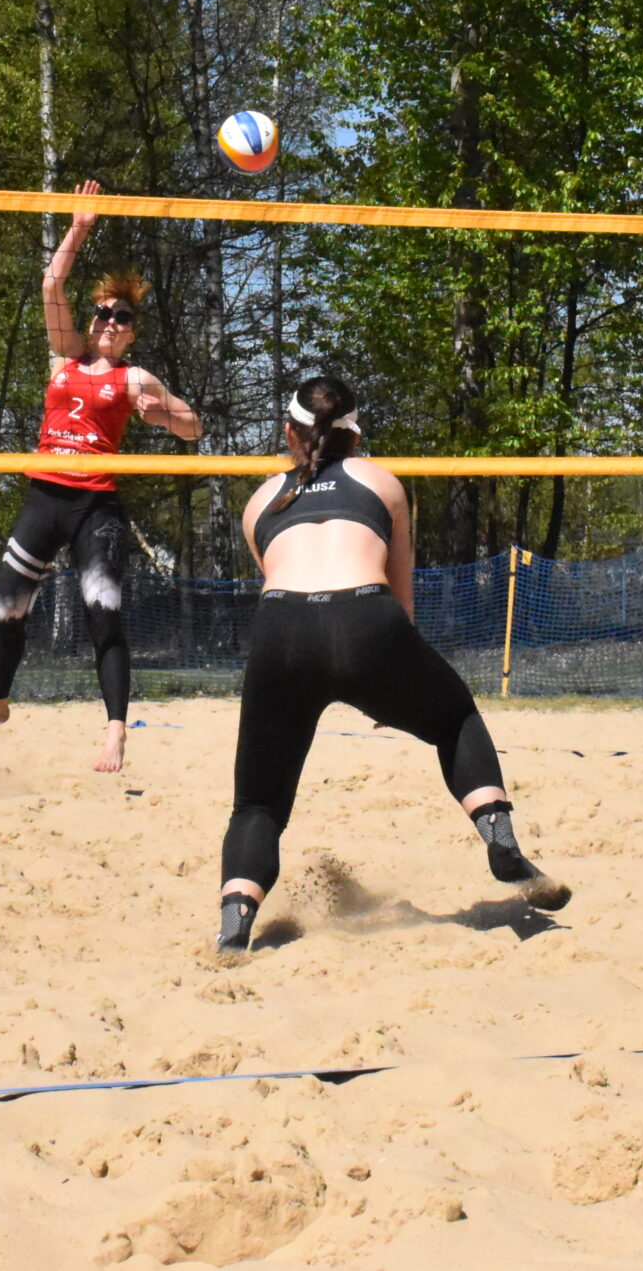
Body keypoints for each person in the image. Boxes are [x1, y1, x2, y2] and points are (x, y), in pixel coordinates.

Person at [215, 375, 569, 954]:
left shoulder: (261, 501)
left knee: (258, 802)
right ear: (355, 437)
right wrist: (390, 684)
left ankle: (234, 926)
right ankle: (501, 840)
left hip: (281, 630)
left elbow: (281, 586)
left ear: (288, 433)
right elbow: (400, 598)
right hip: (368, 621)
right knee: (454, 719)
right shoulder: (381, 483)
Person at [0, 180, 202, 773]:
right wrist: (78, 227)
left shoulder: (134, 377)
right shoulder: (66, 355)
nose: (110, 322)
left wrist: (161, 415)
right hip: (46, 494)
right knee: (9, 606)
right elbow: (51, 285)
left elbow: (194, 428)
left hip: (95, 505)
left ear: (133, 331)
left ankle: (116, 731)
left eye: (123, 318)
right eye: (104, 312)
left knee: (104, 610)